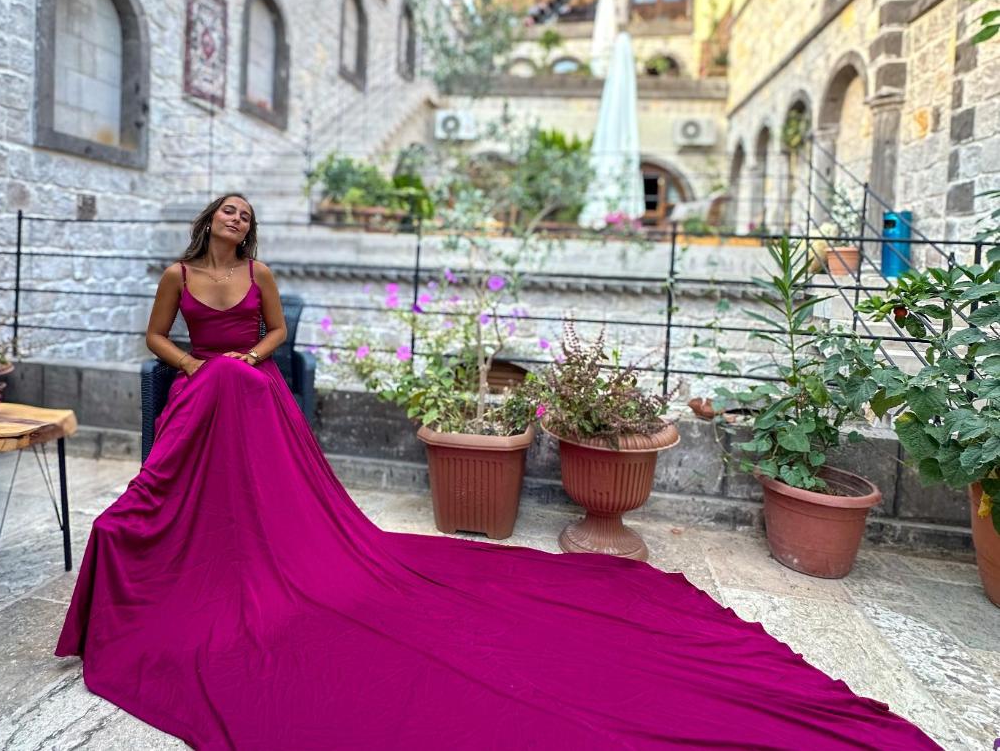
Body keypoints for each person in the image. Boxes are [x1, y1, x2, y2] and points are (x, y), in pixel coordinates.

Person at [56, 193, 939, 750]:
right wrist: (198, 365)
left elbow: (279, 333)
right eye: (229, 212)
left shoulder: (262, 273)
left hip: (248, 385)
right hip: (201, 384)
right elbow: (155, 336)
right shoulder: (177, 273)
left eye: (247, 215)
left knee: (251, 405)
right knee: (205, 414)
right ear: (208, 219)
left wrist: (248, 357)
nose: (238, 221)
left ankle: (256, 514)